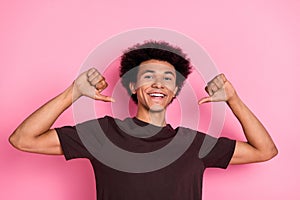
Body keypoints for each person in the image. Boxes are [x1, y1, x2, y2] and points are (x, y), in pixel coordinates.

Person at [9, 41, 278, 200]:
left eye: (168, 78)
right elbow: (22, 139)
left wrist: (233, 99)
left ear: (174, 91)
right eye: (148, 76)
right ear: (133, 86)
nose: (158, 83)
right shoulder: (103, 134)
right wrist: (74, 92)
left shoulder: (193, 143)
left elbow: (265, 150)